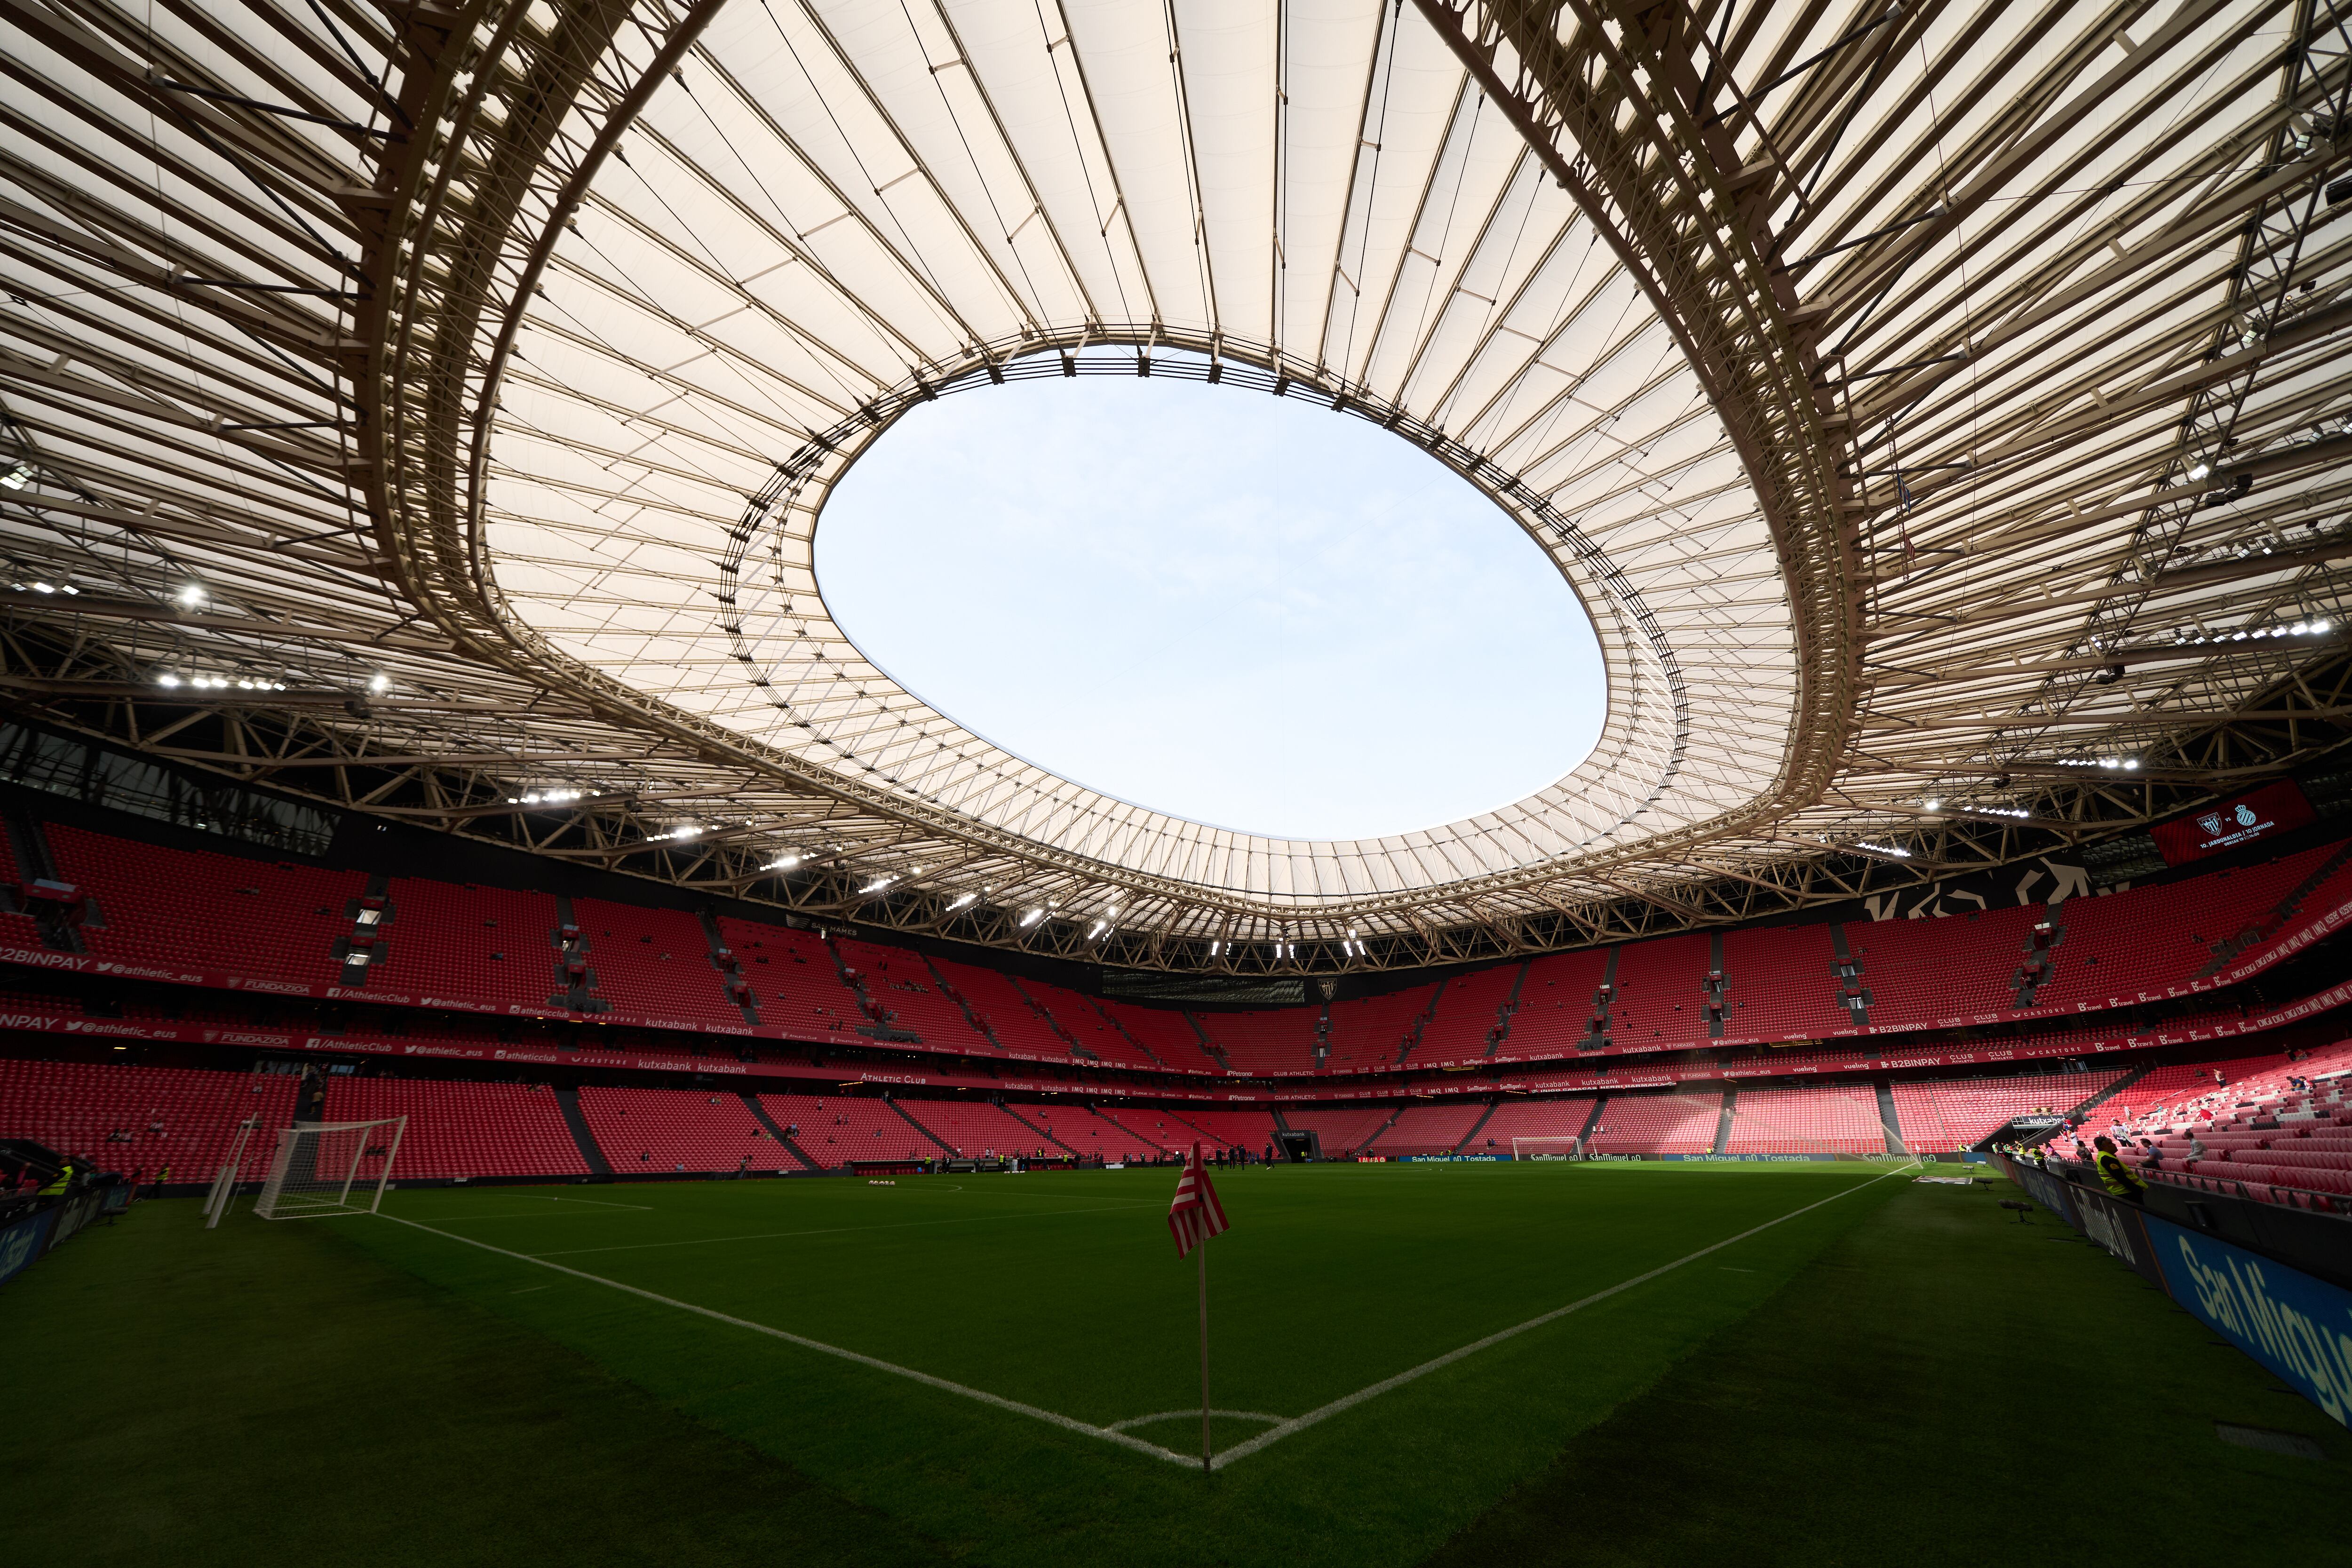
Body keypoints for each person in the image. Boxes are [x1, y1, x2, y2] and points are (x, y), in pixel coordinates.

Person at [2091, 1136, 2145, 1200]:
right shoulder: (2107, 1158)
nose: (2114, 1144)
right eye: (2110, 1143)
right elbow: (2121, 1178)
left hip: (2120, 1191)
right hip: (2126, 1192)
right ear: (2103, 1146)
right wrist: (2137, 1190)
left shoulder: (2102, 1156)